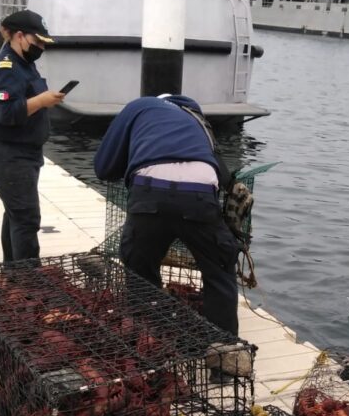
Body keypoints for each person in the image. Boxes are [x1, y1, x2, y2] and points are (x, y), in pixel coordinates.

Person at [93, 94, 242, 338]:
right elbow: (222, 174)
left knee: (140, 270)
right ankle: (224, 355)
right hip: (200, 197)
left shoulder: (139, 106)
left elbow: (103, 168)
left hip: (148, 196)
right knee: (219, 273)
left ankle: (148, 339)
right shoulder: (199, 121)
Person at [0, 9, 65, 262]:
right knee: (26, 219)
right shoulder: (7, 68)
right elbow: (5, 113)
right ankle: (29, 283)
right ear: (19, 36)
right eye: (37, 41)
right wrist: (41, 100)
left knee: (16, 214)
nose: (40, 47)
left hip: (26, 153)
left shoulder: (25, 64)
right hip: (10, 155)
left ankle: (14, 276)